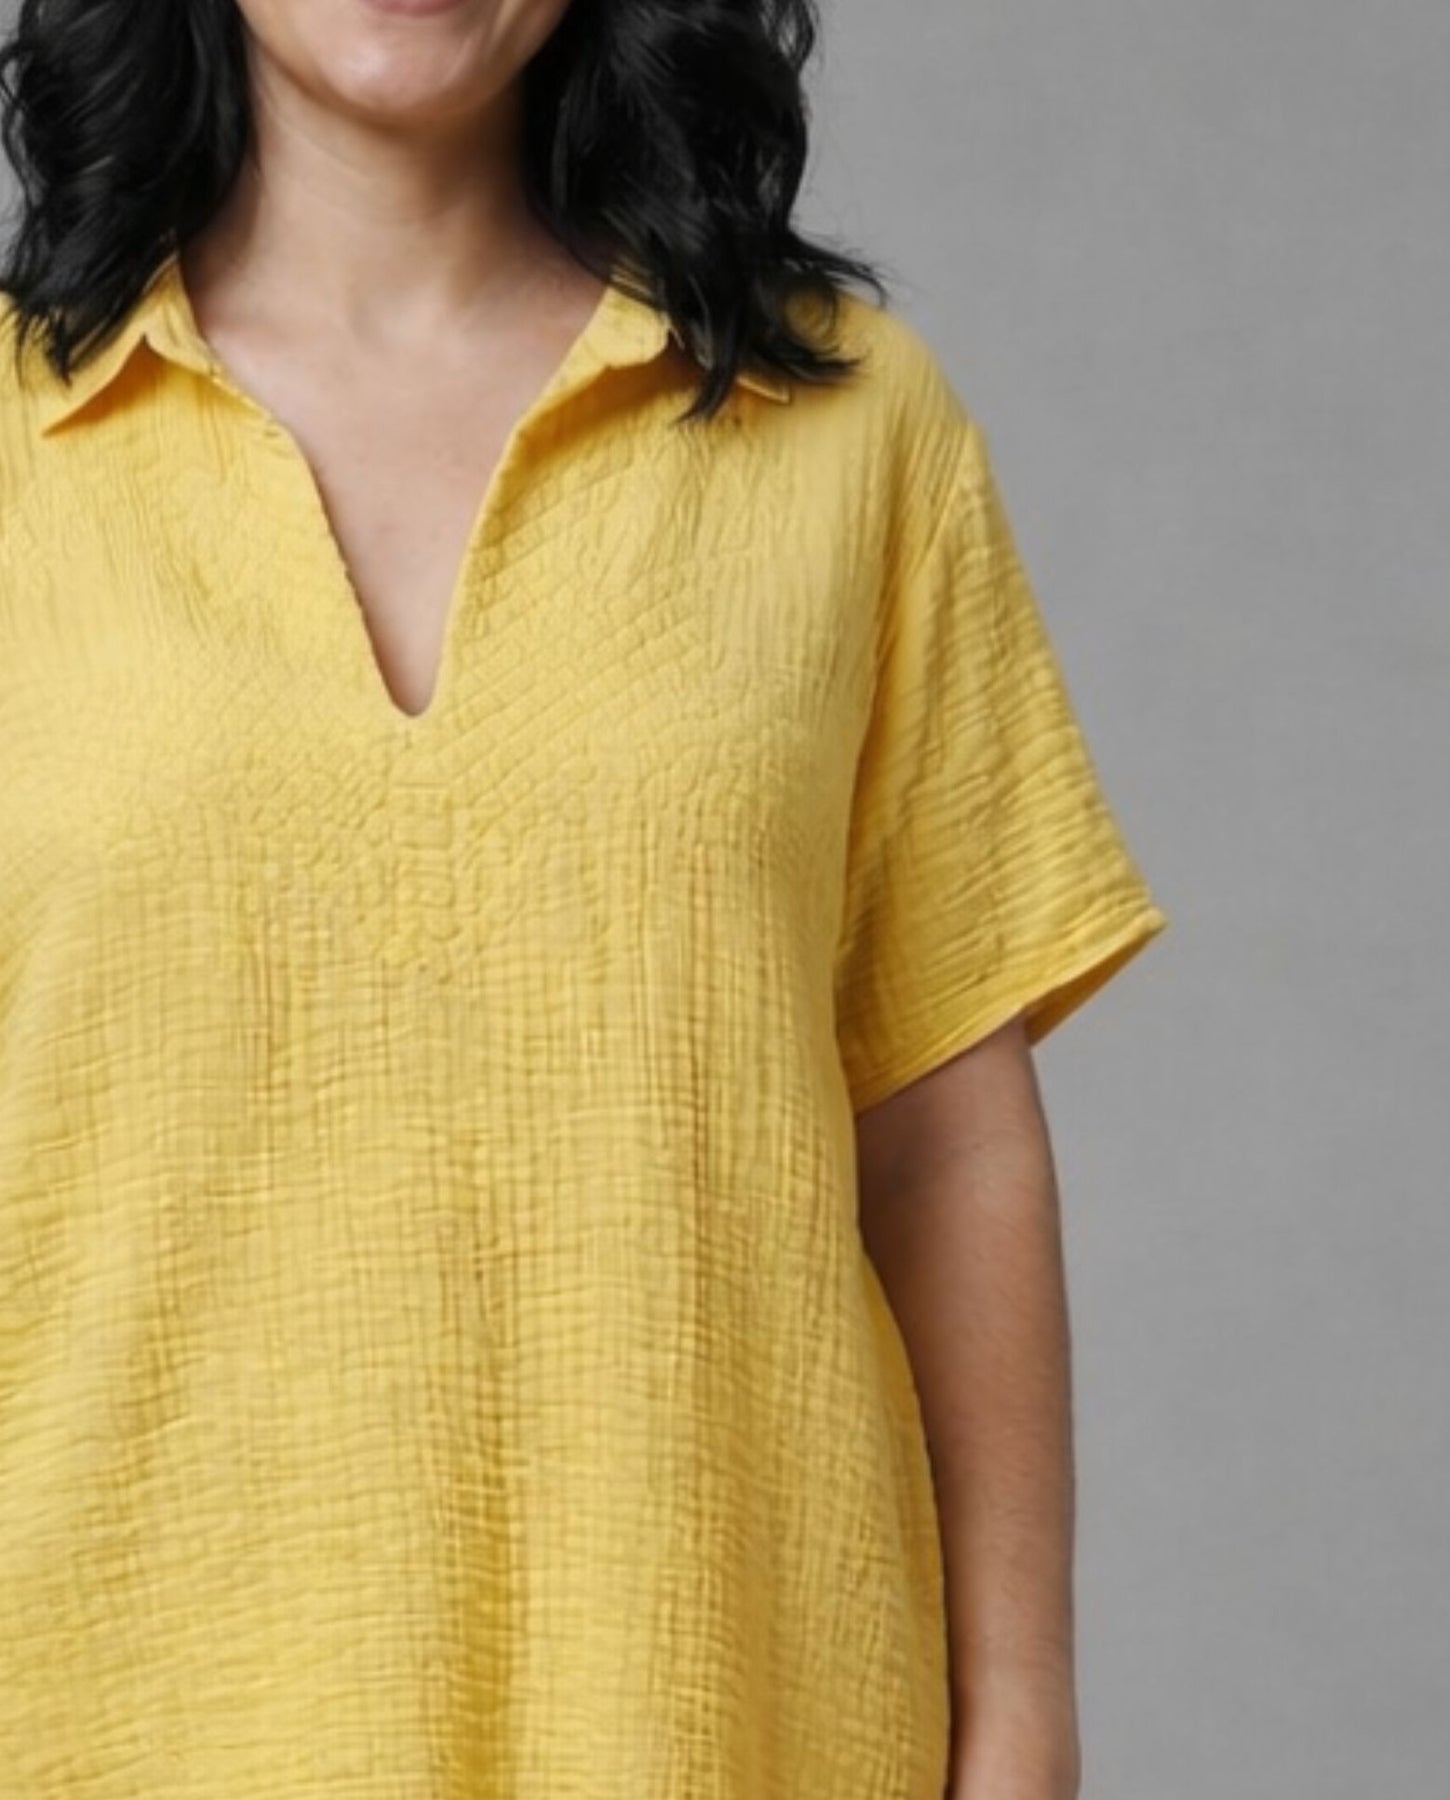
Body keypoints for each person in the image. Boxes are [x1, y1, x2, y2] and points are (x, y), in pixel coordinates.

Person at [0, 2, 1168, 1797]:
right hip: (104, 1708)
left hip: (727, 1718)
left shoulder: (845, 423)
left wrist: (1020, 1723)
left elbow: (943, 1135)